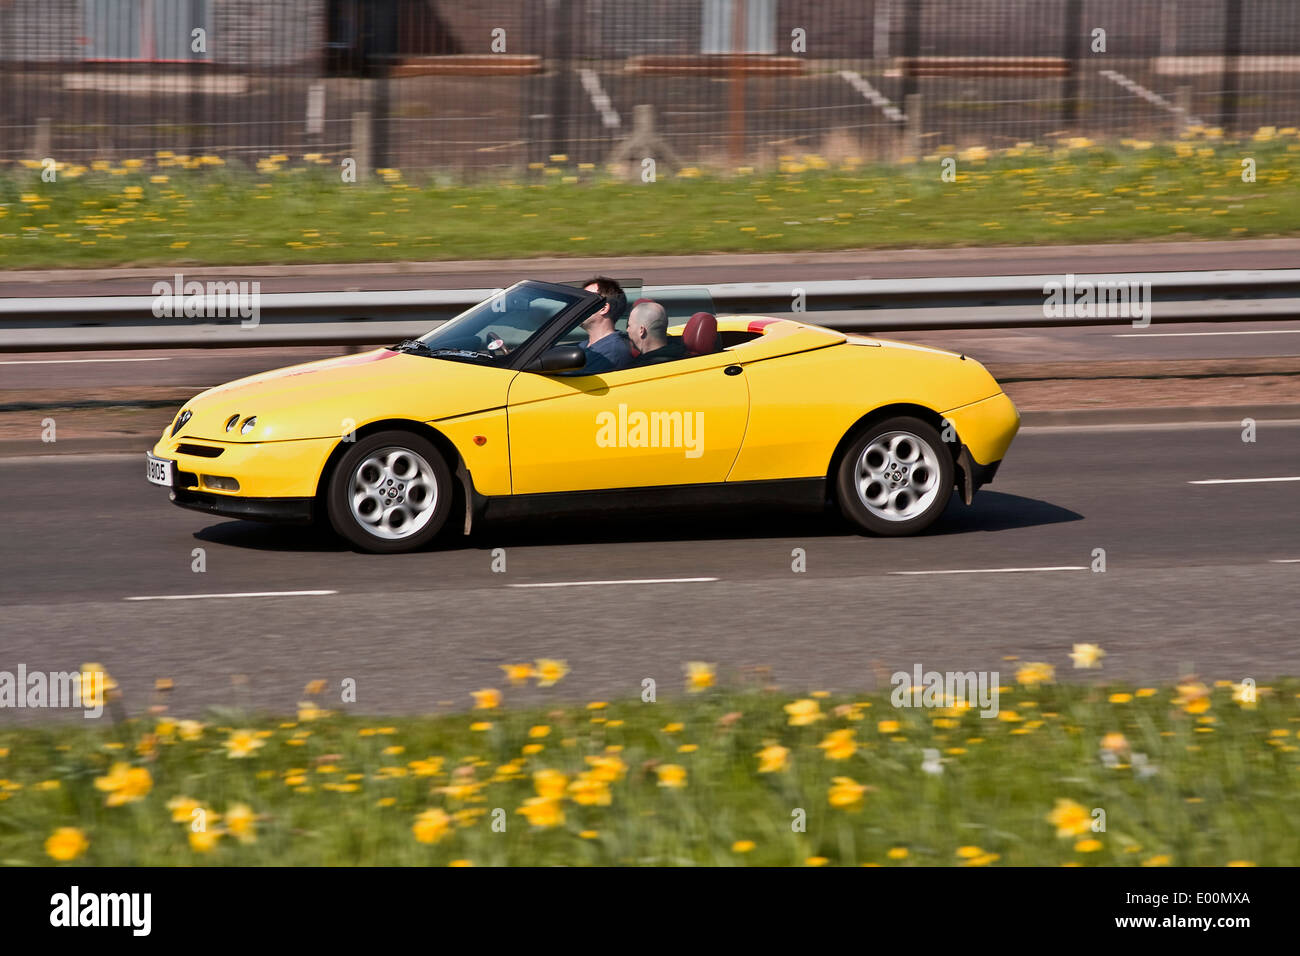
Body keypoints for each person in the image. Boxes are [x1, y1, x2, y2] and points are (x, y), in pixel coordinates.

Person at [578, 276, 632, 373]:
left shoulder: (611, 352)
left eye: (586, 300)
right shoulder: (585, 345)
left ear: (603, 308)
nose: (578, 306)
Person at [626, 299, 687, 366]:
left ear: (641, 330)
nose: (627, 330)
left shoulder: (642, 368)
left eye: (629, 326)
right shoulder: (683, 356)